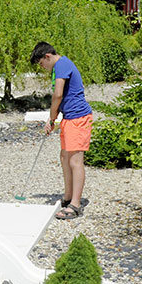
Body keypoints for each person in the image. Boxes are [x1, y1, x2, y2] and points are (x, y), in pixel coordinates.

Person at [30, 42, 92, 220]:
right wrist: (56, 118)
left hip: (78, 118)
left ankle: (75, 205)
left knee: (75, 160)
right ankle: (67, 197)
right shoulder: (59, 67)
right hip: (69, 118)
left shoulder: (62, 65)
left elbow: (57, 94)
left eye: (42, 64)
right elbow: (61, 96)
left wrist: (51, 118)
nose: (43, 68)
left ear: (47, 57)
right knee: (65, 157)